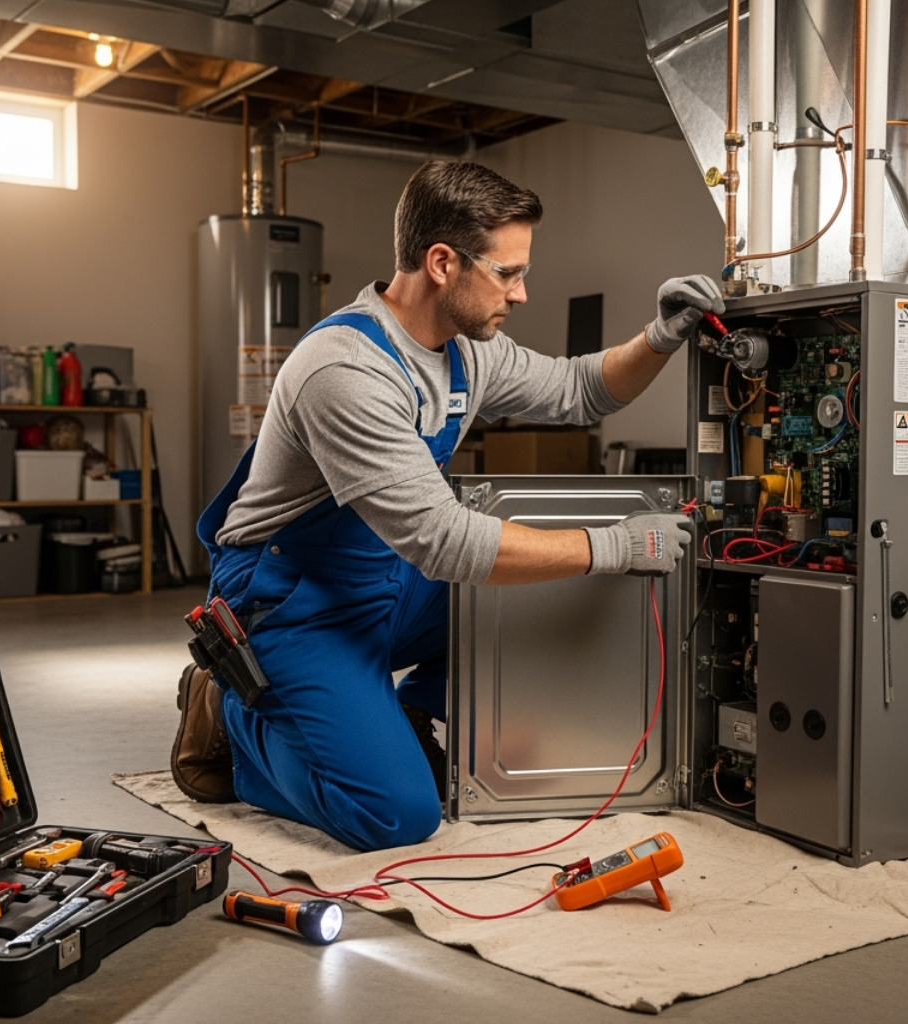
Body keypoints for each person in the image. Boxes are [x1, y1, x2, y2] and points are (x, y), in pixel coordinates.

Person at [174, 160, 722, 852]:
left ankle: (400, 713)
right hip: (293, 603)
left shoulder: (466, 352)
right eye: (508, 272)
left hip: (388, 577)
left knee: (536, 596)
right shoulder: (346, 371)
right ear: (441, 262)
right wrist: (612, 546)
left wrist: (660, 337)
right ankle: (235, 719)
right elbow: (444, 542)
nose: (522, 293)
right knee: (397, 814)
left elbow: (582, 390)